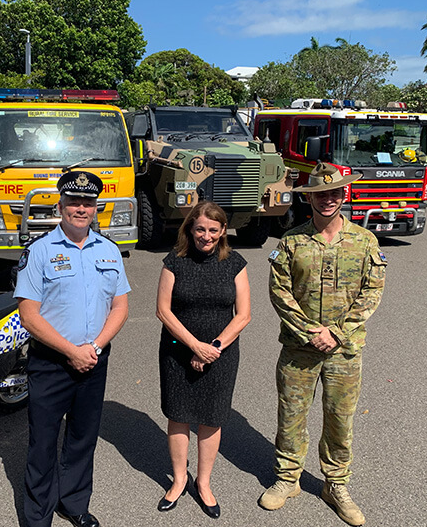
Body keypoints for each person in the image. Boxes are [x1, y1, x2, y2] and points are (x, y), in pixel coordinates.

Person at [259, 163, 387, 526]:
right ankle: (287, 479)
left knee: (340, 420)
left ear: (343, 195)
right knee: (291, 416)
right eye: (320, 194)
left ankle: (336, 484)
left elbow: (371, 292)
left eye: (334, 193)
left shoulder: (364, 241)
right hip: (299, 349)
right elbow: (280, 291)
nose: (327, 199)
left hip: (344, 351)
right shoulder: (292, 241)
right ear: (310, 198)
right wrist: (309, 330)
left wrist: (337, 332)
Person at [14, 170, 130, 527]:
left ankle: (74, 503)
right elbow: (28, 315)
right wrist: (71, 350)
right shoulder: (39, 251)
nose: (81, 208)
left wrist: (93, 347)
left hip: (94, 358)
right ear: (61, 205)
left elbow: (120, 306)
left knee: (83, 438)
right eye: (74, 202)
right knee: (44, 443)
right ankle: (38, 516)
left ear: (96, 208)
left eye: (88, 202)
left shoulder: (109, 250)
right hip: (51, 362)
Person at [155, 200, 251, 519]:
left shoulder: (235, 263)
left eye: (212, 229)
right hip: (177, 349)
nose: (205, 236)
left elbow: (244, 315)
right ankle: (179, 480)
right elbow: (163, 311)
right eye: (200, 229)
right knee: (179, 414)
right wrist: (195, 346)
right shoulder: (174, 261)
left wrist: (213, 347)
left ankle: (204, 483)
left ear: (223, 230)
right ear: (190, 229)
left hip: (221, 352)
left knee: (211, 416)